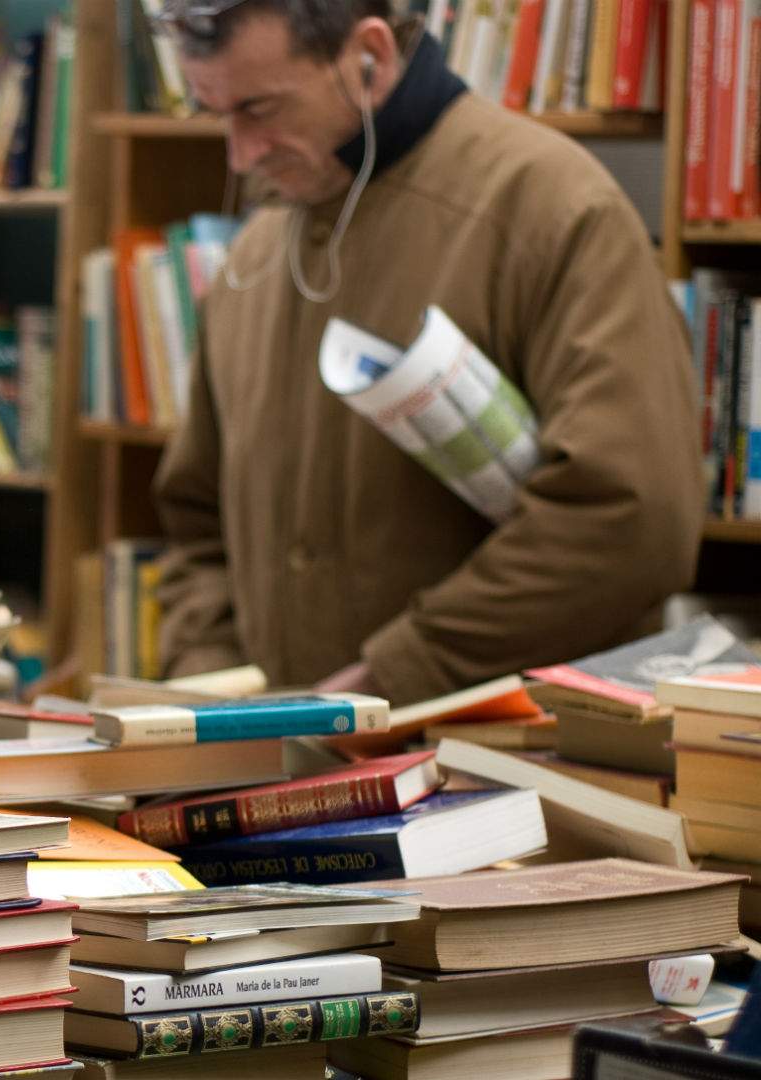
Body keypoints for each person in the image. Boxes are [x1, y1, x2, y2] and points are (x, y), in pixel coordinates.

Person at [150, 0, 703, 703]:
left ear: (369, 56)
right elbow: (197, 524)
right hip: (276, 764)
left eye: (260, 109)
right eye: (216, 113)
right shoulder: (255, 254)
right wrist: (209, 687)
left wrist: (401, 671)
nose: (240, 154)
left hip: (503, 769)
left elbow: (629, 522)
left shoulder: (552, 211)